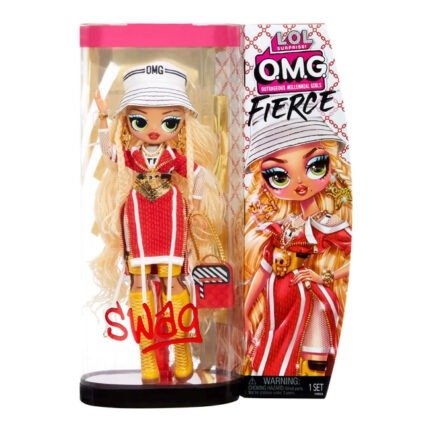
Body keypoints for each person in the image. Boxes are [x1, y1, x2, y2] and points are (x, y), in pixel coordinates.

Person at [93, 62, 223, 383]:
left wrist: (196, 203)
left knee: (173, 280)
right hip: (139, 213)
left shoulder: (174, 158)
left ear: (180, 123)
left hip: (170, 213)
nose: (153, 130)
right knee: (139, 283)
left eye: (169, 121)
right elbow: (108, 153)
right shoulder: (132, 155)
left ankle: (181, 351)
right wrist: (103, 117)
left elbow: (198, 174)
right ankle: (147, 357)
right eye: (140, 120)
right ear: (129, 122)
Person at [244, 113, 352, 376]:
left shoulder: (325, 223)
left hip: (307, 298)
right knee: (271, 352)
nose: (300, 183)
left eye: (315, 166)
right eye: (279, 175)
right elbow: (263, 270)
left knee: (312, 357)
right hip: (276, 303)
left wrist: (326, 276)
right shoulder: (281, 226)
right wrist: (245, 311)